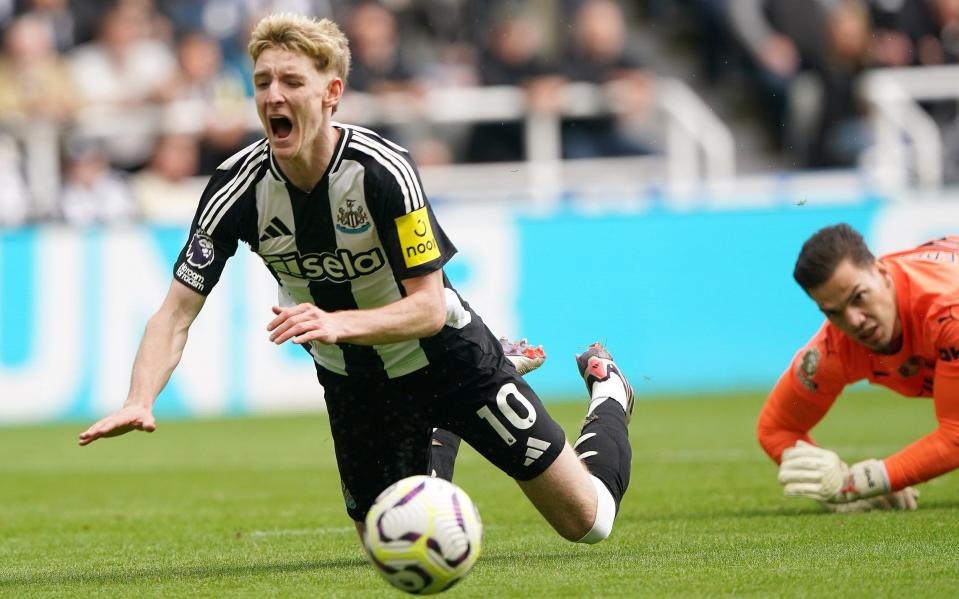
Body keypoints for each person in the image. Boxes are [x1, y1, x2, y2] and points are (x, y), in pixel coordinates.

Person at [78, 13, 636, 546]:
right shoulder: (237, 188)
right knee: (394, 539)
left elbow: (430, 308)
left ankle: (610, 390)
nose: (273, 94)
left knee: (588, 523)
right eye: (263, 81)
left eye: (292, 80)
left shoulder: (382, 171)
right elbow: (176, 312)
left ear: (331, 93)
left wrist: (335, 321)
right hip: (355, 384)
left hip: (449, 357)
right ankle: (446, 423)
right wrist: (140, 396)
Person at [758, 223, 959, 512]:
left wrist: (860, 483)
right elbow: (777, 428)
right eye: (834, 312)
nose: (853, 321)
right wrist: (831, 483)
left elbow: (956, 435)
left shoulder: (946, 311)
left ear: (881, 272)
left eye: (858, 297)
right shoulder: (836, 347)